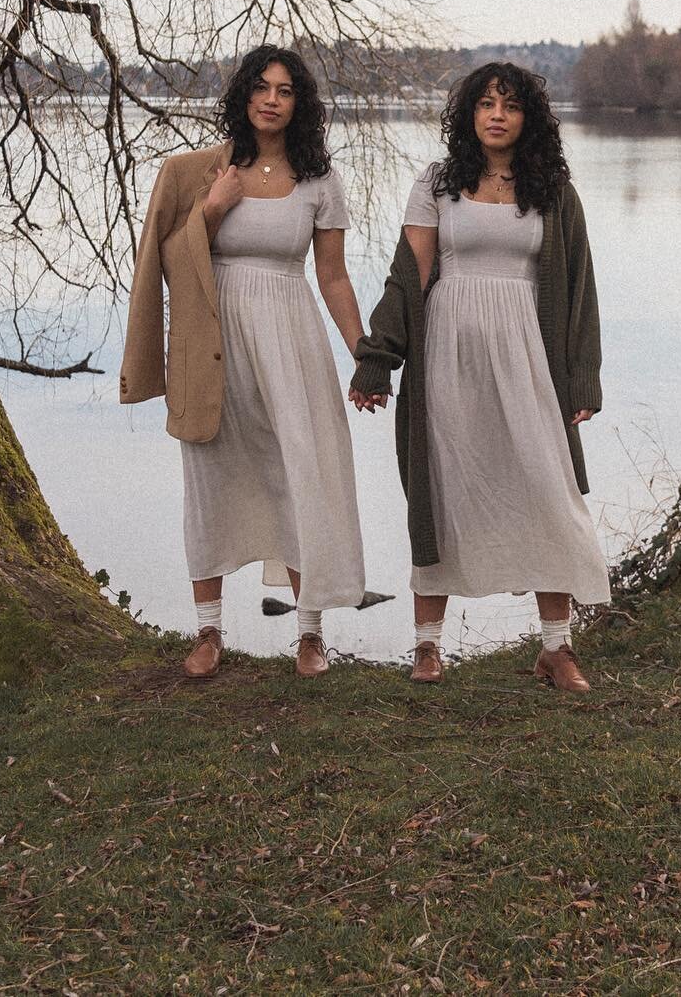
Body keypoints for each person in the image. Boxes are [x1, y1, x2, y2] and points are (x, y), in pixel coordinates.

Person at [350, 61, 610, 692]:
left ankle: (556, 648)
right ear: (469, 114)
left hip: (527, 355)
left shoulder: (552, 190)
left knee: (548, 491)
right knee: (442, 490)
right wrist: (377, 358)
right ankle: (427, 647)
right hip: (449, 353)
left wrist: (581, 379)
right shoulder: (437, 183)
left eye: (511, 105)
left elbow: (579, 288)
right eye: (487, 103)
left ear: (529, 118)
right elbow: (407, 276)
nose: (498, 115)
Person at [121, 46, 367, 679]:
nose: (271, 100)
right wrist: (212, 209)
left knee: (298, 476)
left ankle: (309, 634)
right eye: (261, 87)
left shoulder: (319, 181)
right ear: (243, 96)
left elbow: (333, 277)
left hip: (292, 340)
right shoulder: (202, 172)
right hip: (213, 340)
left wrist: (364, 355)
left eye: (285, 91)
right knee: (211, 479)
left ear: (299, 104)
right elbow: (166, 265)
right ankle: (208, 633)